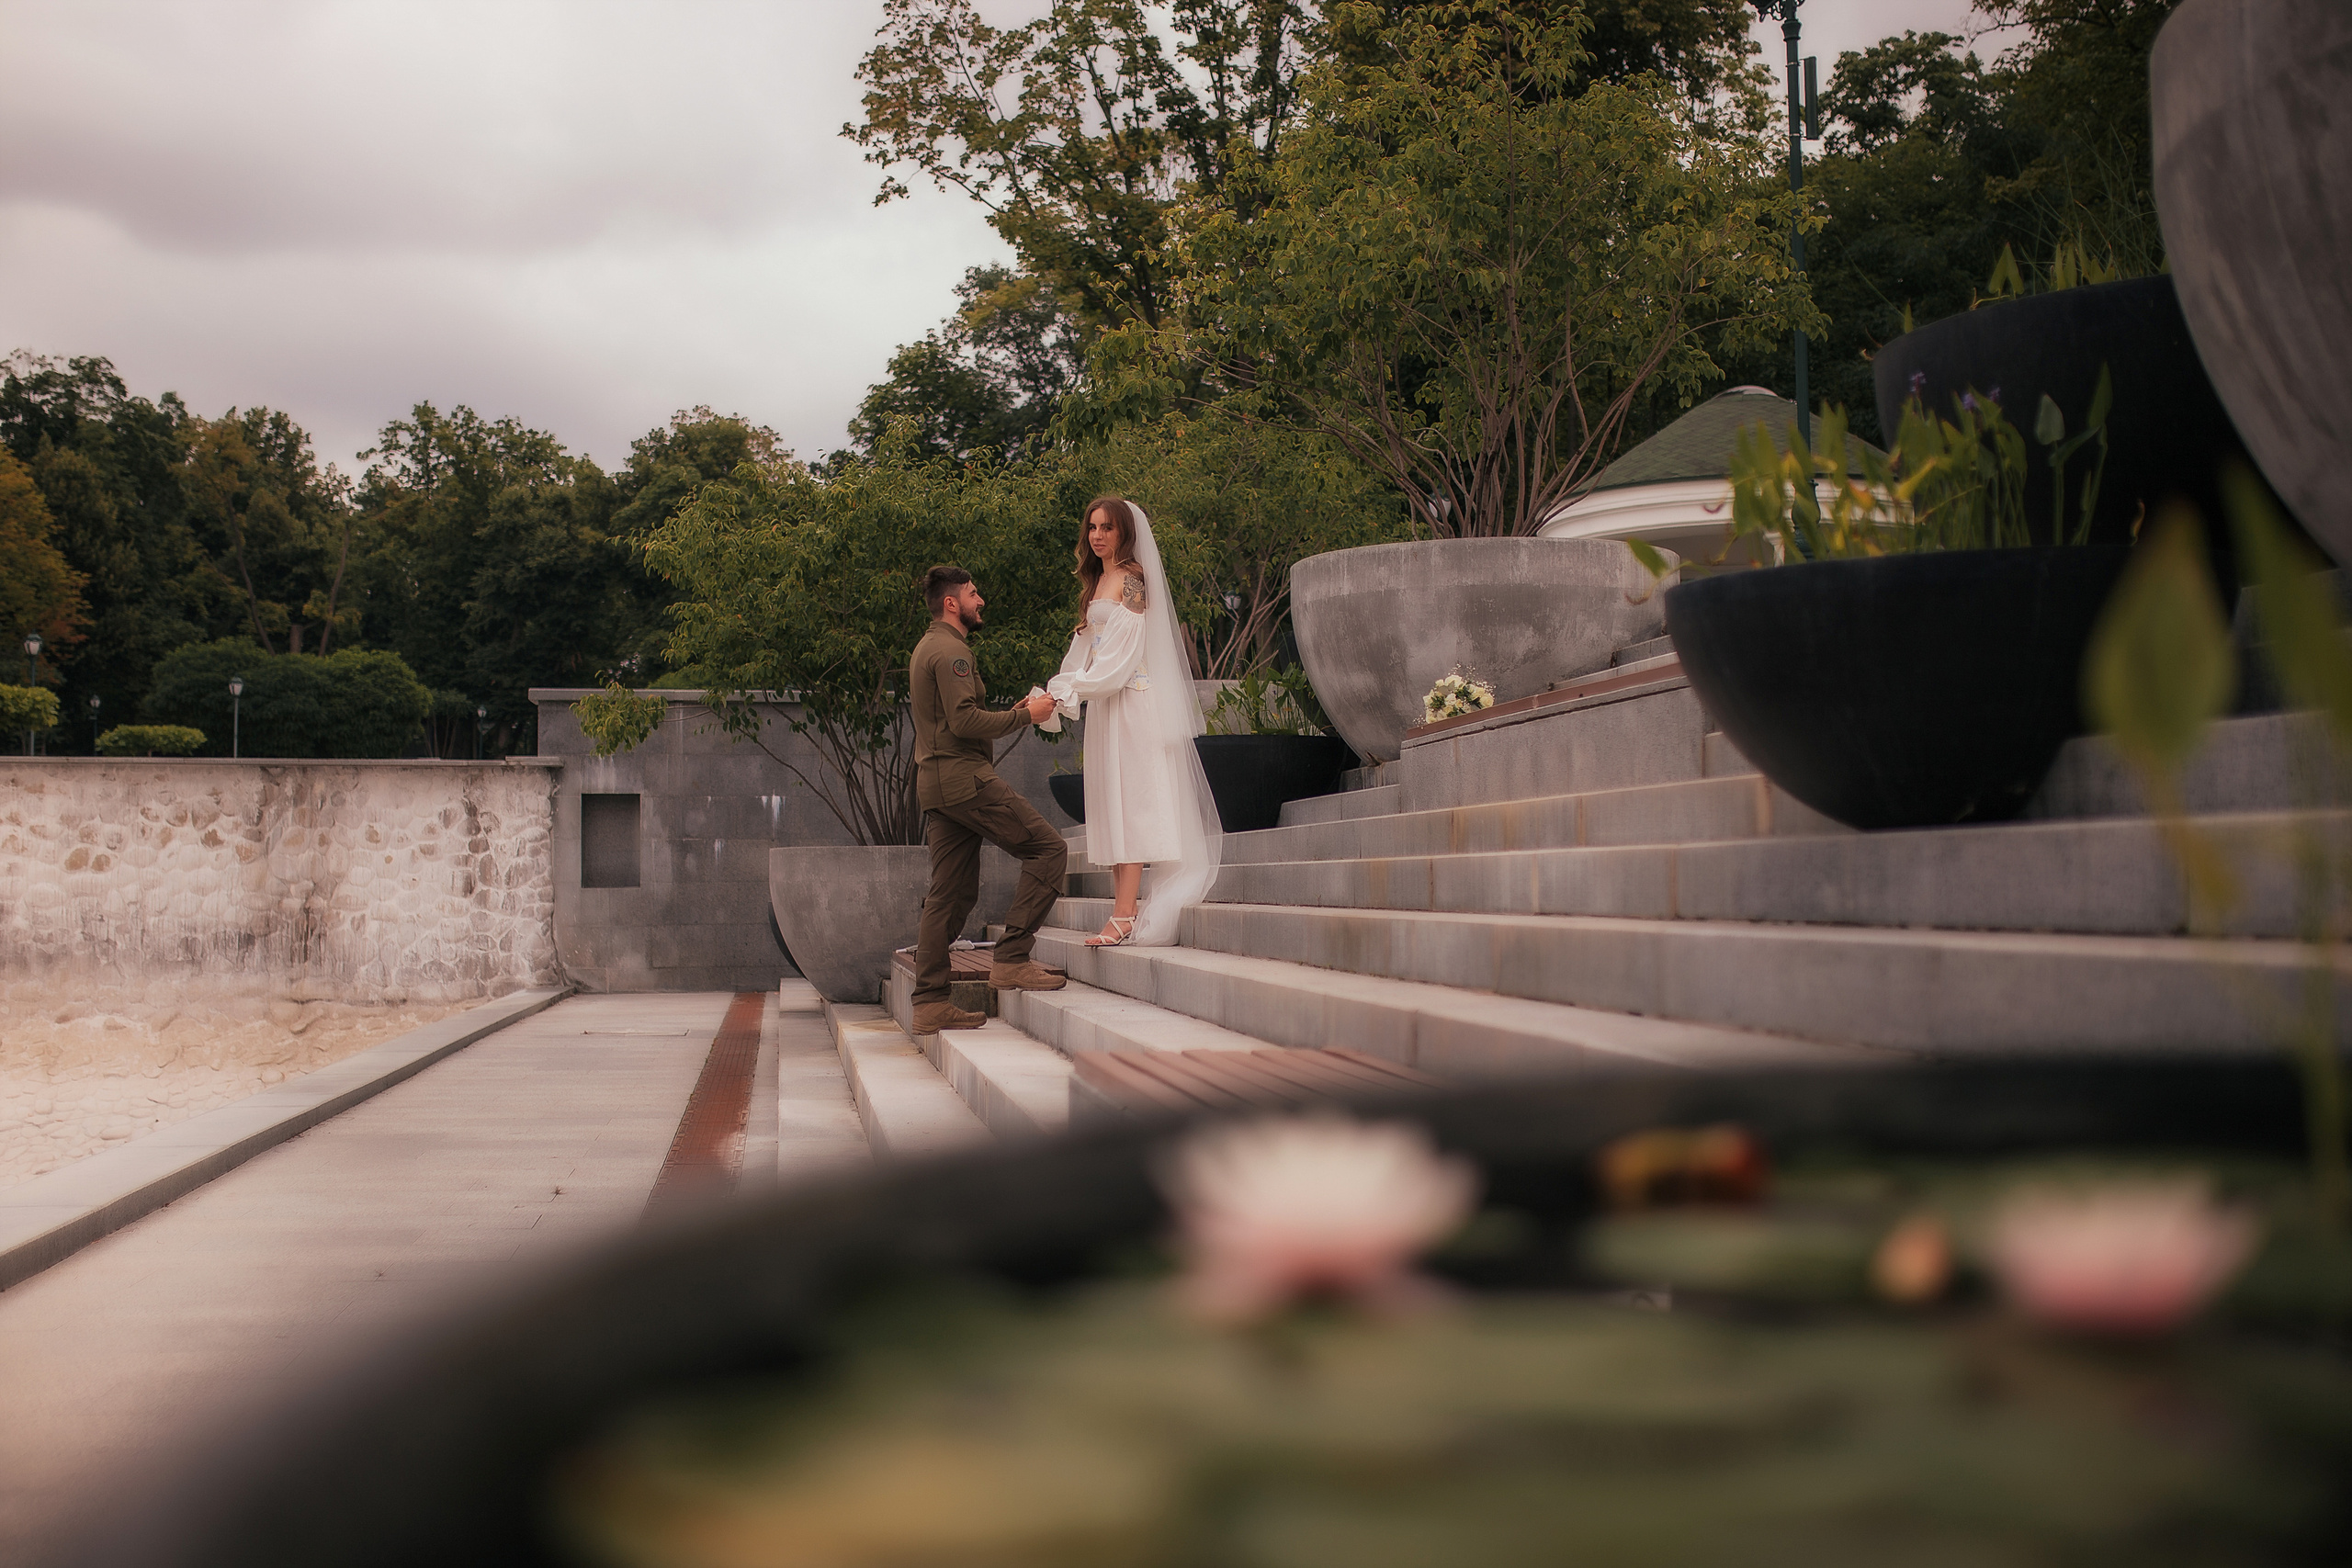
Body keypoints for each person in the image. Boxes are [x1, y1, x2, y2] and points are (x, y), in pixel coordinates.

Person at [1046, 496, 1223, 947]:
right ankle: (1120, 908)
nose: (1098, 535)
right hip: (1106, 708)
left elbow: (1120, 660)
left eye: (1107, 527)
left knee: (1131, 806)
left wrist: (1073, 690)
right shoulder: (1097, 581)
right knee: (1109, 804)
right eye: (1092, 528)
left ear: (1126, 532)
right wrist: (1056, 688)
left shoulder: (1134, 582)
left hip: (1131, 701)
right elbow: (1085, 649)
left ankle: (1124, 913)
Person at [908, 565, 1068, 1035]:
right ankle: (1012, 958)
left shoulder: (926, 647)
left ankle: (930, 1002)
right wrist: (1026, 718)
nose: (982, 601)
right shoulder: (952, 651)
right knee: (1048, 849)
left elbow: (956, 718)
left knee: (950, 895)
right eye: (975, 594)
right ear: (952, 603)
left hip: (938, 785)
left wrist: (1018, 710)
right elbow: (964, 723)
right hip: (966, 780)